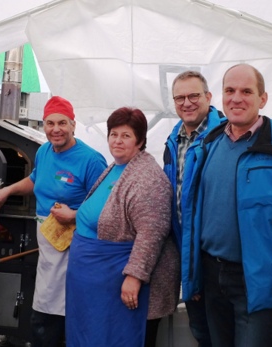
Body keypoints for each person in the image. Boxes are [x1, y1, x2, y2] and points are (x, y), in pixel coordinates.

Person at [191, 64, 272, 346]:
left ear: (262, 99)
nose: (236, 98)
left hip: (259, 282)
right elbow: (194, 213)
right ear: (221, 97)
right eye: (230, 91)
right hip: (213, 276)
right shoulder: (209, 144)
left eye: (246, 91)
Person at [0, 96, 107, 347]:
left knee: (59, 306)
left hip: (75, 243)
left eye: (62, 123)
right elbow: (34, 181)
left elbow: (105, 206)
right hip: (46, 236)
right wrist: (7, 190)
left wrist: (74, 214)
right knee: (49, 302)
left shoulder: (91, 160)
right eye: (50, 123)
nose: (55, 129)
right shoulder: (43, 151)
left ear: (73, 125)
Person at [66, 107, 180, 347]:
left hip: (120, 278)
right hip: (95, 278)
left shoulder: (148, 177)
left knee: (120, 339)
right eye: (113, 134)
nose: (117, 140)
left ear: (140, 140)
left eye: (126, 135)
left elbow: (152, 232)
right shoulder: (115, 167)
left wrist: (134, 277)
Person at [163, 70, 225, 347]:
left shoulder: (224, 137)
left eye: (193, 96)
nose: (186, 103)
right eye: (180, 98)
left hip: (217, 256)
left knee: (222, 331)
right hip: (186, 251)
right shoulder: (173, 140)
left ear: (208, 97)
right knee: (200, 329)